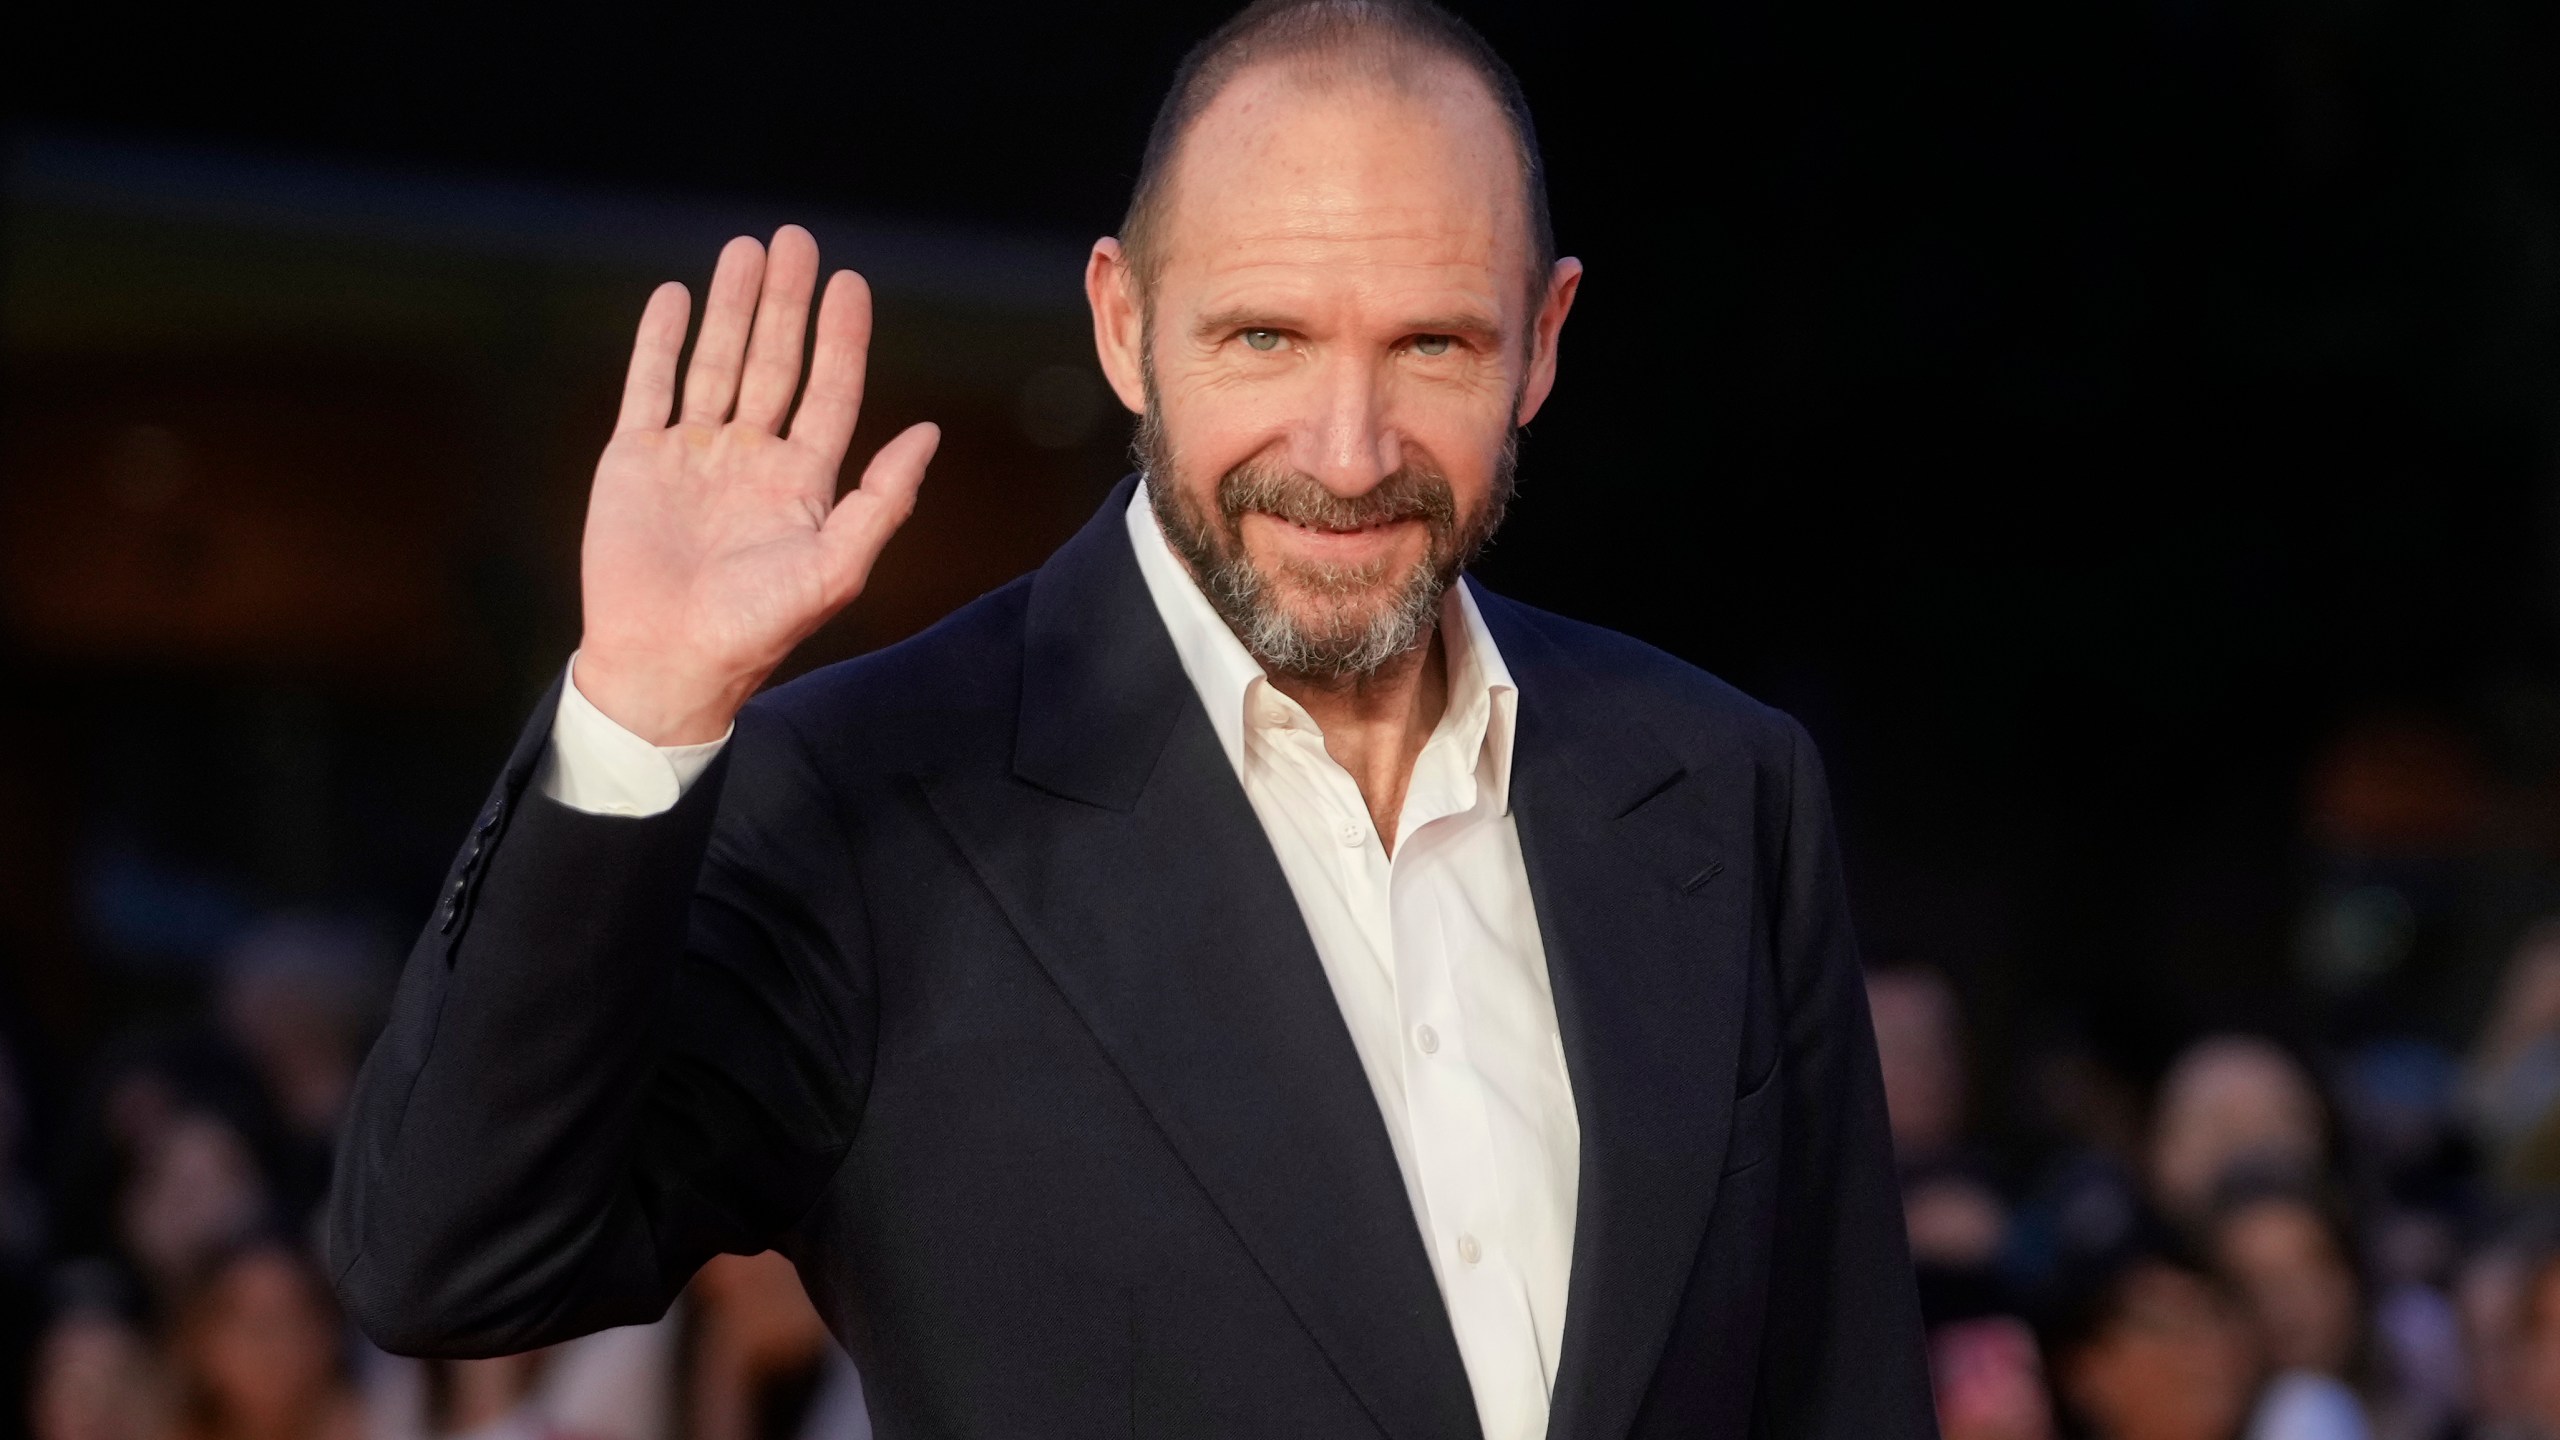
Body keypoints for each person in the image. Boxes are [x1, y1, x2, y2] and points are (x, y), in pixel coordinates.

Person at [325, 1, 1931, 1435]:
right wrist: (637, 713)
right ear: (1122, 324)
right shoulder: (880, 798)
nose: (1352, 448)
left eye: (1432, 343)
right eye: (1266, 337)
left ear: (1543, 343)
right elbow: (450, 1261)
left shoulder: (1719, 787)